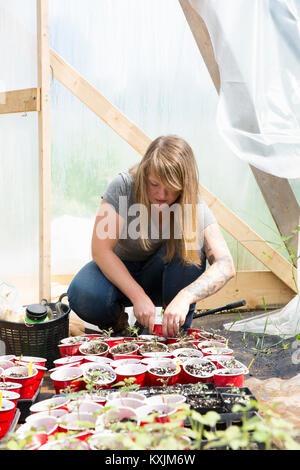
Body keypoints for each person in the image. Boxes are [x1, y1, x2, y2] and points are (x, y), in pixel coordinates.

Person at [67, 135, 235, 338]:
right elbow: (101, 251)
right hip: (121, 272)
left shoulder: (191, 203)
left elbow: (225, 265)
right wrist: (138, 297)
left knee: (191, 248)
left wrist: (185, 297)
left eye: (171, 188)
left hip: (163, 277)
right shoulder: (123, 186)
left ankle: (172, 329)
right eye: (154, 184)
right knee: (83, 292)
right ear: (145, 173)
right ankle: (120, 327)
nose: (161, 195)